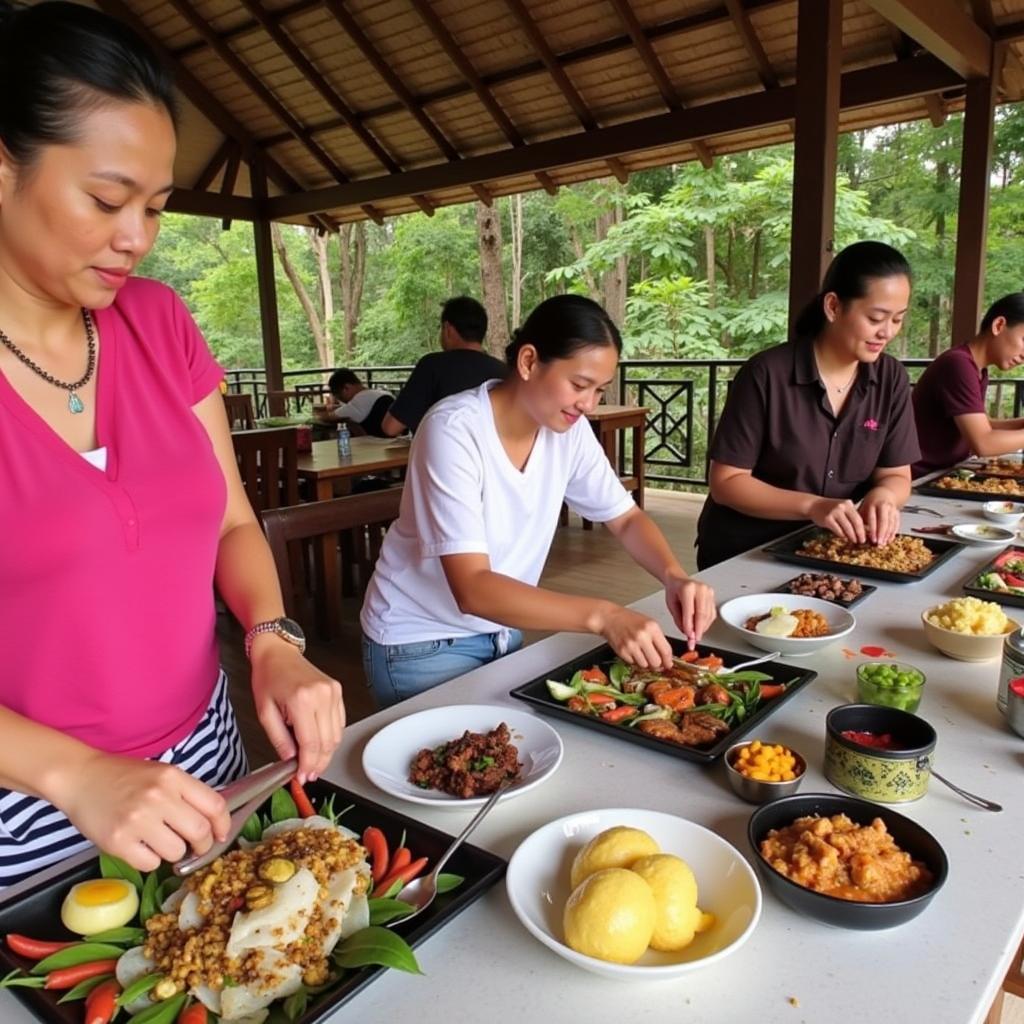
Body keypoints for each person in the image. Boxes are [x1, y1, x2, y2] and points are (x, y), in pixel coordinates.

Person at [0, 1, 343, 886]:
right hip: (26, 822)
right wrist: (76, 774)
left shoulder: (156, 322)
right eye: (107, 200)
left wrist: (272, 639)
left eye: (154, 207)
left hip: (209, 765)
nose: (137, 239)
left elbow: (232, 520)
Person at [360, 294, 716, 708]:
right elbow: (472, 588)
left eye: (599, 391)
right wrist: (605, 616)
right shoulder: (454, 430)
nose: (588, 404)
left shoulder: (568, 430)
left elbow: (625, 518)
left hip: (502, 630)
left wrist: (674, 576)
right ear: (528, 362)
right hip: (420, 643)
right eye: (580, 385)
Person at [696, 241, 921, 569]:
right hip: (746, 554)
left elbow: (897, 474)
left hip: (831, 553)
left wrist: (884, 496)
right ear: (833, 307)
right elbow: (727, 483)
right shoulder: (766, 374)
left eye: (898, 320)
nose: (886, 332)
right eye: (876, 318)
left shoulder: (890, 379)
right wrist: (813, 506)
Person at [912, 293, 1024, 476]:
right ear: (999, 325)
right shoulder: (958, 365)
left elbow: (982, 426)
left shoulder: (977, 369)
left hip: (944, 473)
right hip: (917, 479)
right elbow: (983, 443)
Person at [379, 295, 507, 436]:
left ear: (448, 329)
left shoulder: (432, 366)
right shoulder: (503, 371)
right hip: (491, 456)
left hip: (439, 455)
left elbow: (390, 427)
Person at [317, 368, 393, 437]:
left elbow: (328, 417)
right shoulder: (383, 393)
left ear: (346, 388)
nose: (341, 400)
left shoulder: (357, 402)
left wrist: (318, 414)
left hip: (380, 444)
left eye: (339, 396)